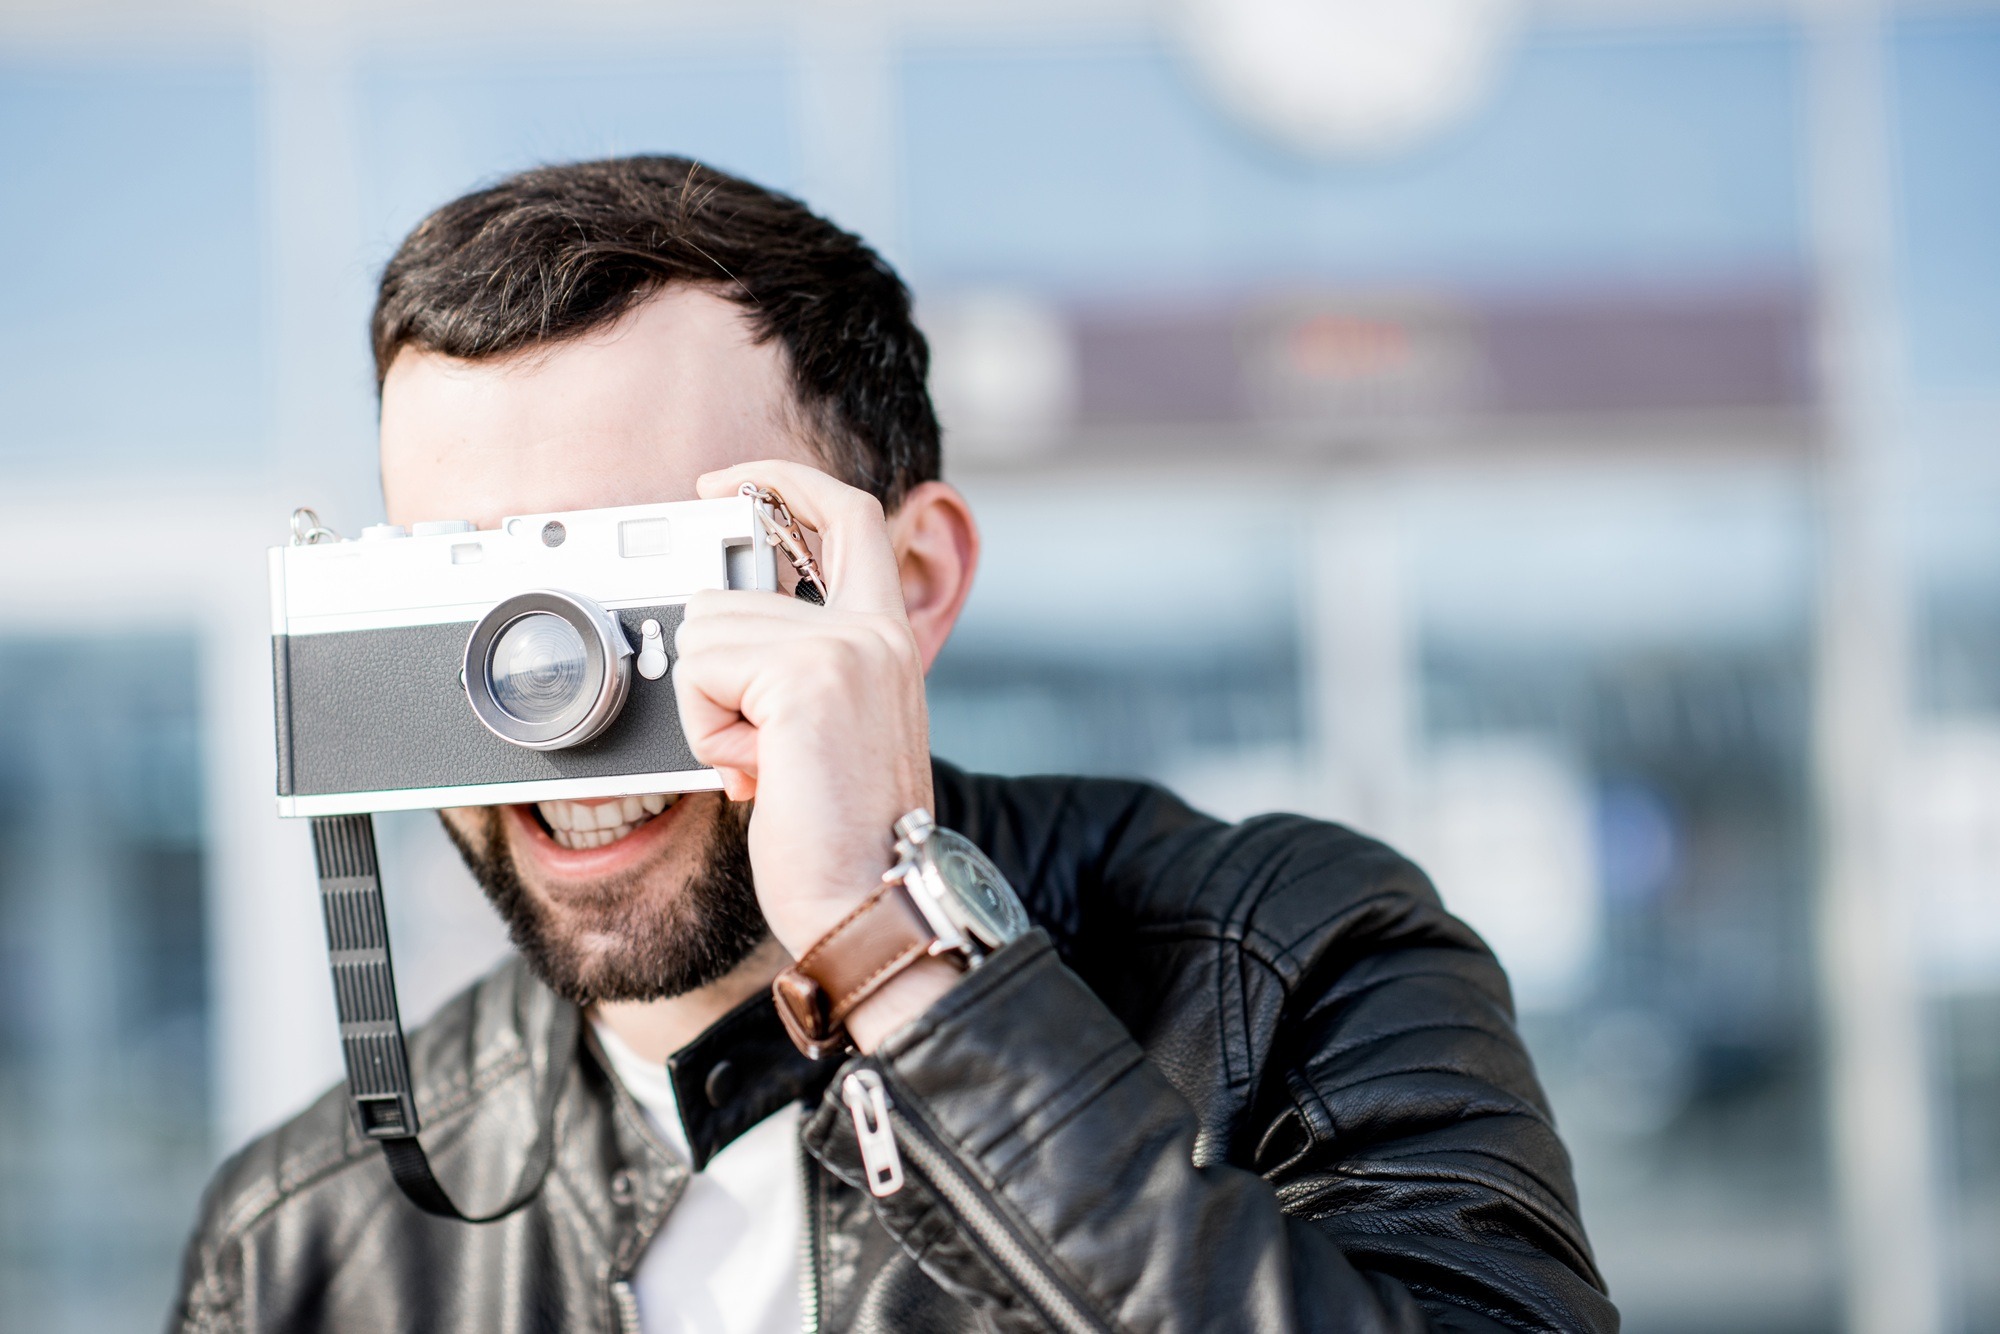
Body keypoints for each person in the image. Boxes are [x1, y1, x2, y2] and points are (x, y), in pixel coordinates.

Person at [171, 156, 1616, 1334]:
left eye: (651, 587)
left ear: (907, 584)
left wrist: (905, 961)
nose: (556, 702)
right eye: (477, 613)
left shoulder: (1278, 961)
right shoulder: (305, 1244)